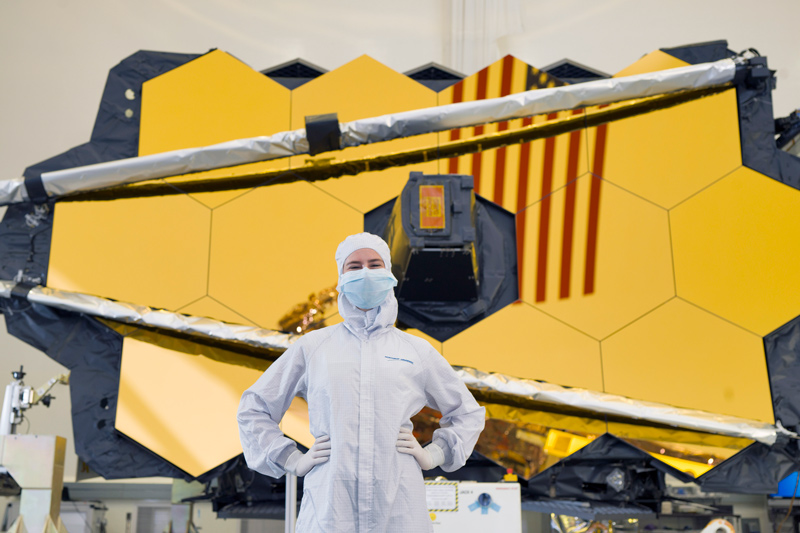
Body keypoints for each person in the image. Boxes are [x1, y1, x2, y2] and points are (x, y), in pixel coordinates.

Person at [237, 232, 485, 533]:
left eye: (374, 264)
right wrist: (291, 459)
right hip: (331, 507)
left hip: (399, 506)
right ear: (340, 278)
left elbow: (467, 413)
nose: (365, 272)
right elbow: (255, 408)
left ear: (389, 274)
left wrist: (433, 454)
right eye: (354, 266)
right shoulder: (314, 347)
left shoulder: (415, 351)